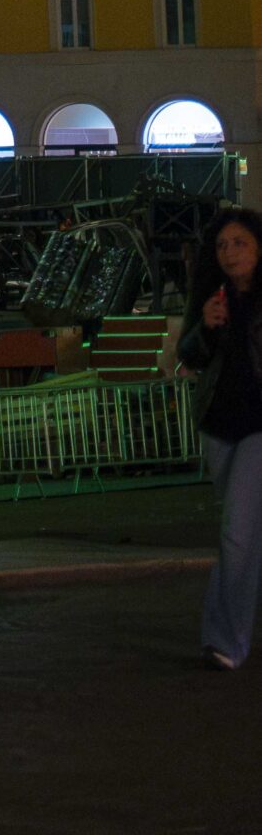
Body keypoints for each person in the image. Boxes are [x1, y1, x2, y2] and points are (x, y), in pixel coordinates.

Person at [178, 206, 262, 667]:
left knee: (236, 534)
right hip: (219, 426)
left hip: (258, 429)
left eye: (240, 243)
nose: (230, 252)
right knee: (243, 535)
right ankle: (228, 633)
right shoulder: (213, 296)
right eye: (222, 245)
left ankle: (225, 643)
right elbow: (188, 356)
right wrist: (204, 330)